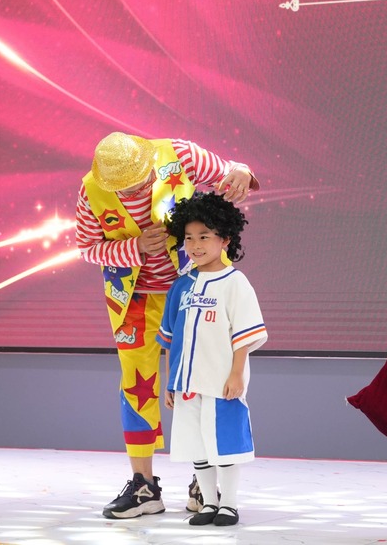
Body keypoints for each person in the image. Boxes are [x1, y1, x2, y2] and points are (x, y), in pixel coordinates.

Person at [75, 132, 259, 519]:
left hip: (194, 292)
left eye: (139, 180)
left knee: (204, 382)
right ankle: (144, 486)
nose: (134, 190)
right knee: (136, 387)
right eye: (124, 187)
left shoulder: (179, 154)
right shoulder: (91, 190)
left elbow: (231, 171)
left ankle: (203, 483)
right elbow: (87, 248)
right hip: (135, 300)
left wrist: (242, 172)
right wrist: (136, 247)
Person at [156, 192, 267, 527]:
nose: (195, 245)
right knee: (197, 445)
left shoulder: (236, 283)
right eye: (189, 237)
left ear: (225, 239)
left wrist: (237, 375)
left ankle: (228, 504)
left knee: (224, 442)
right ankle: (208, 503)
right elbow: (169, 339)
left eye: (204, 236)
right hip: (187, 383)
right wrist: (170, 380)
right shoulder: (180, 286)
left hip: (221, 382)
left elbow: (243, 335)